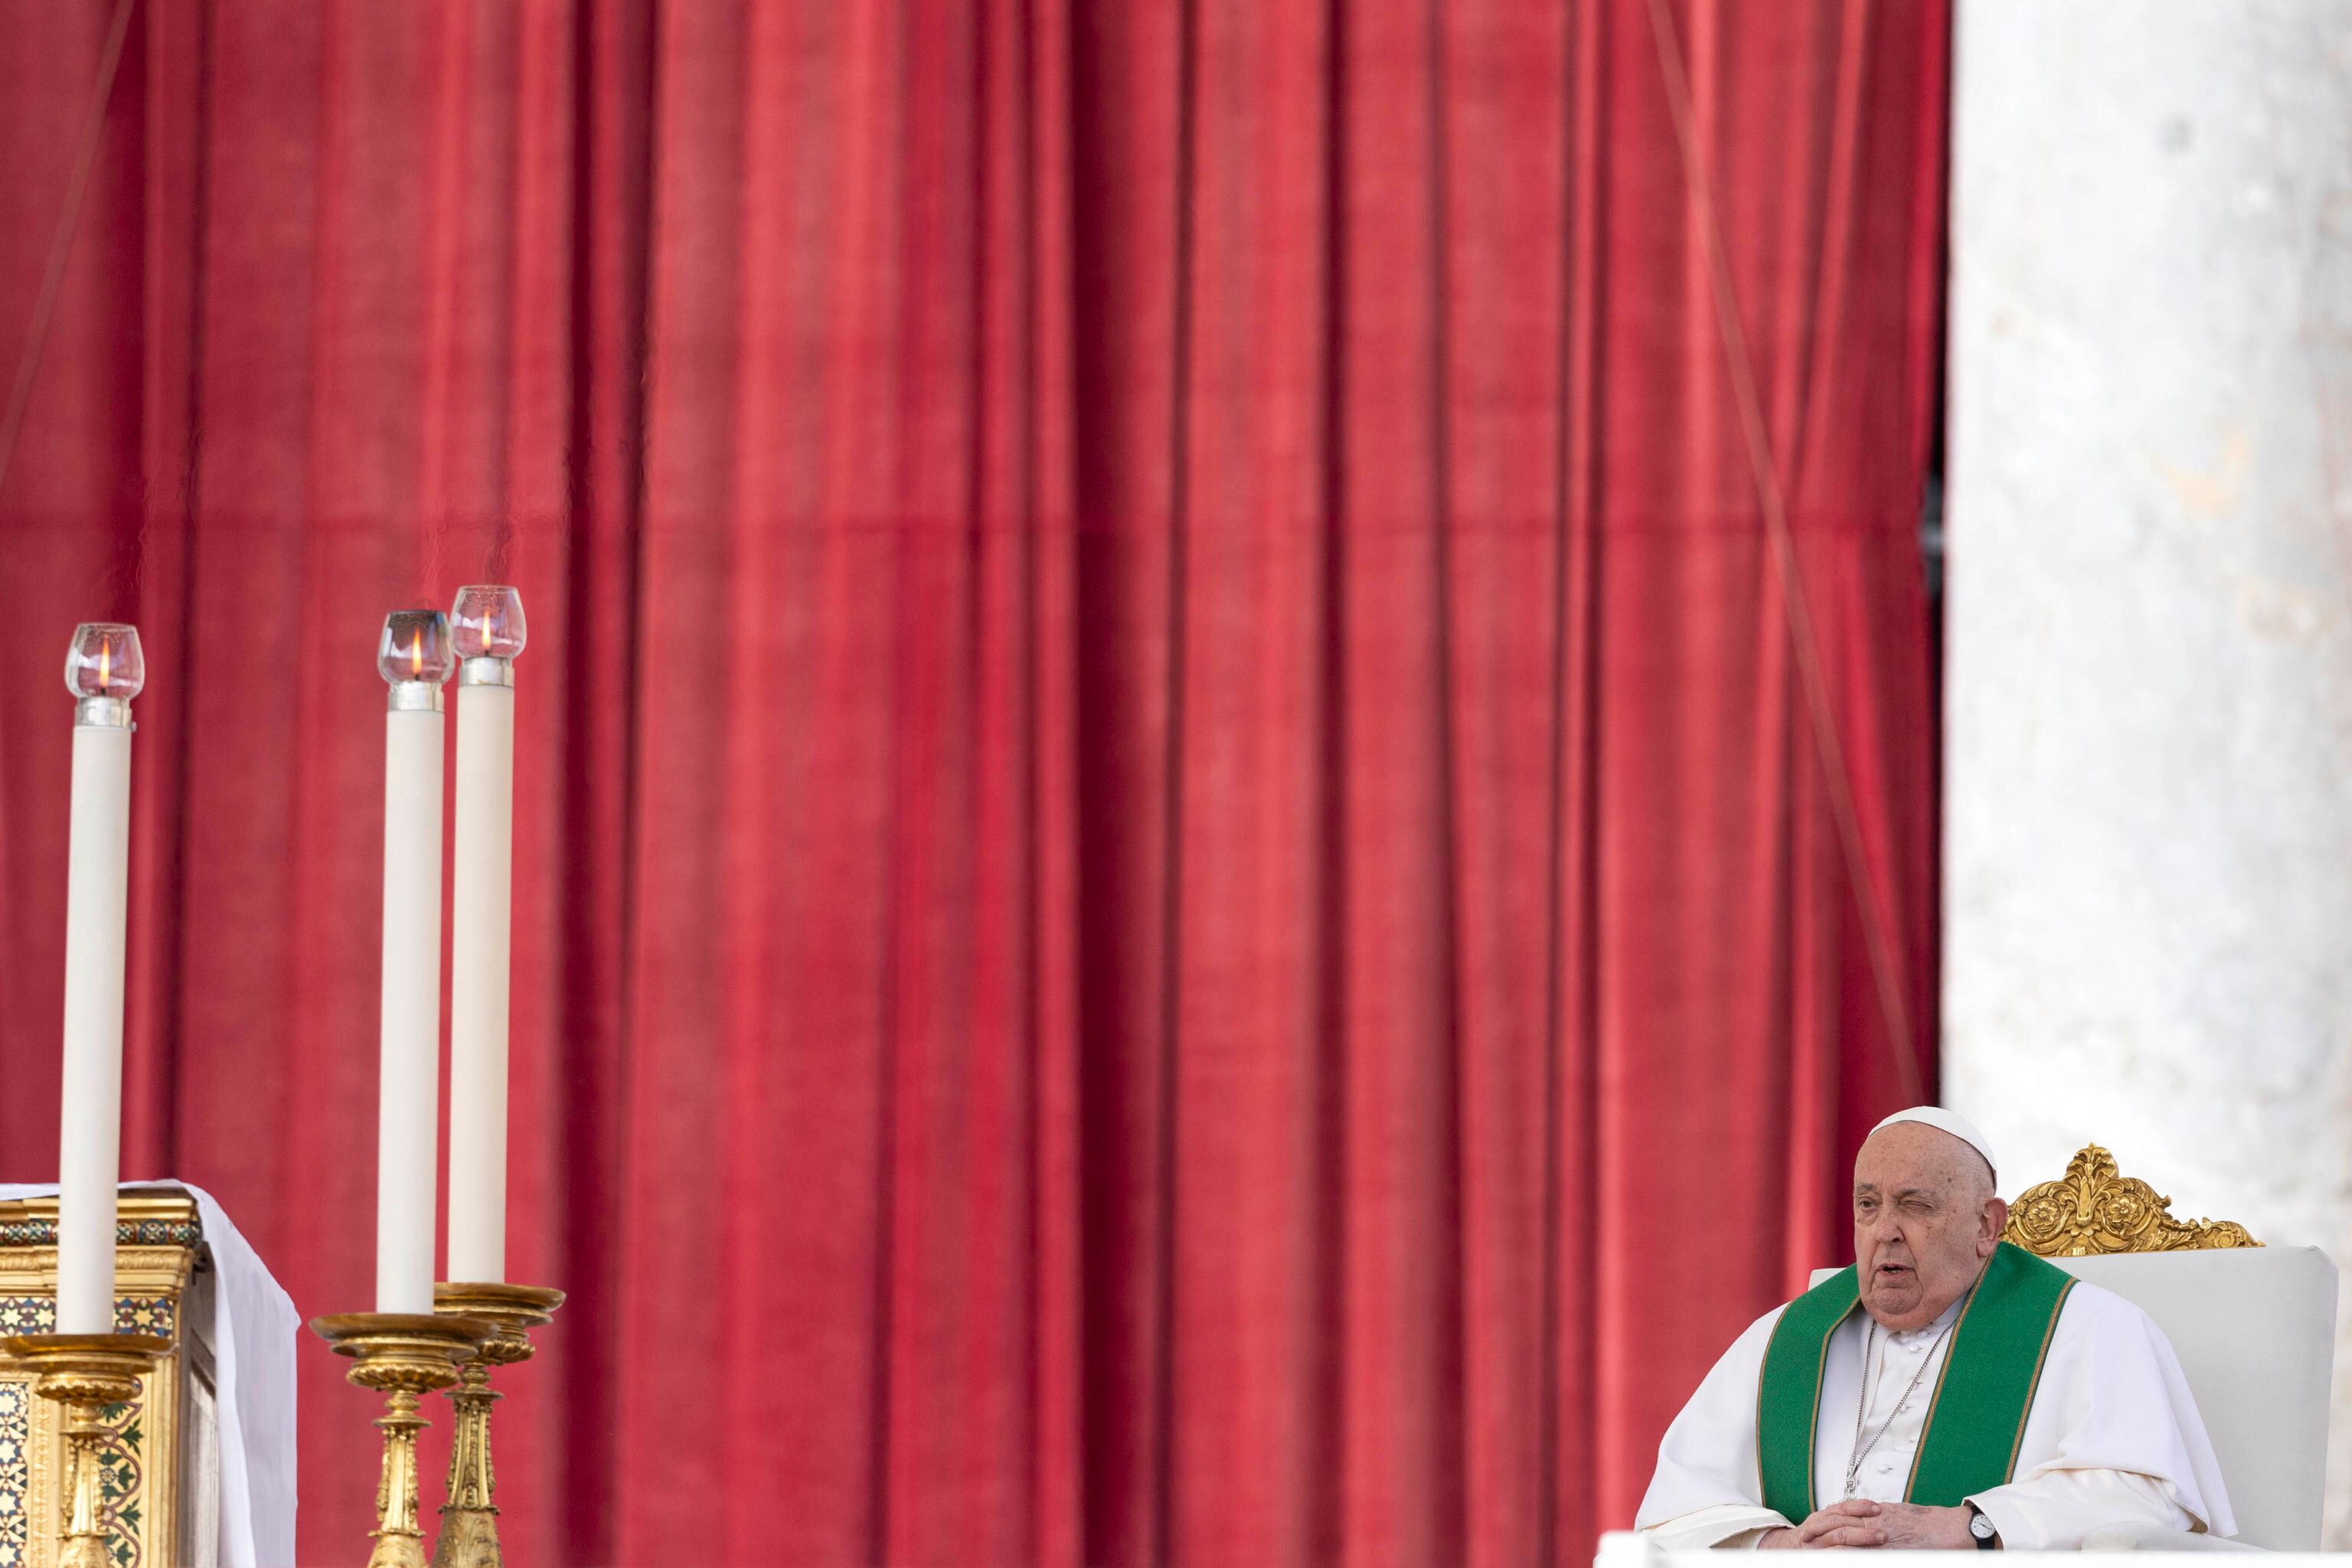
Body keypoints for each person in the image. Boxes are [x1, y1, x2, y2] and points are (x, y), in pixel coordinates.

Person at [1635, 1108, 2234, 1550]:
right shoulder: (1784, 1341)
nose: (1884, 1232)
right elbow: (1674, 1513)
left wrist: (1974, 1527)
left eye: (1915, 1205)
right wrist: (1782, 1547)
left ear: (1986, 1226)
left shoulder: (2089, 1327)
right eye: (1868, 1205)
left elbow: (2151, 1497)